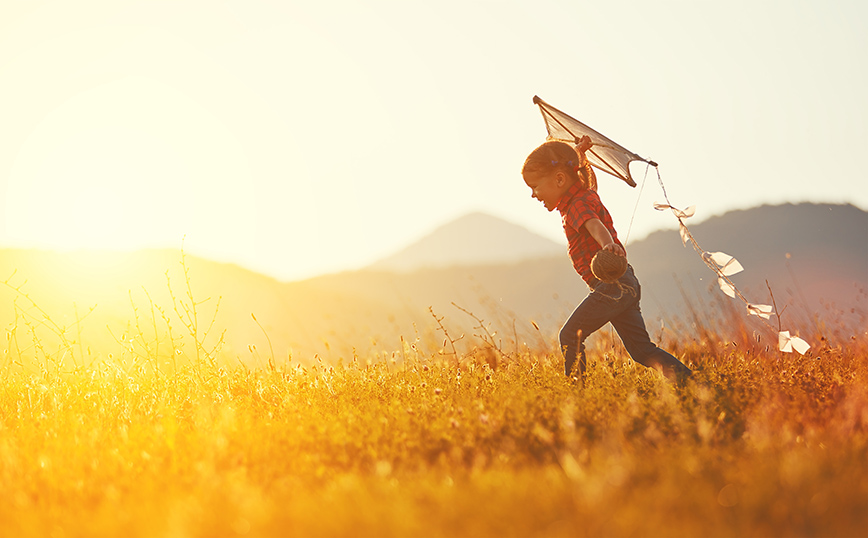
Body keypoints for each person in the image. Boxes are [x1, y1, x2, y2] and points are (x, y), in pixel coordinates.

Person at [521, 138, 691, 383]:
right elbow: (584, 183)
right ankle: (693, 384)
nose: (533, 194)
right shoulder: (583, 195)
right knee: (642, 350)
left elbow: (595, 225)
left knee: (570, 335)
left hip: (614, 287)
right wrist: (579, 155)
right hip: (625, 285)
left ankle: (577, 392)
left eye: (535, 186)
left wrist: (607, 244)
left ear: (559, 179)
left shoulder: (577, 205)